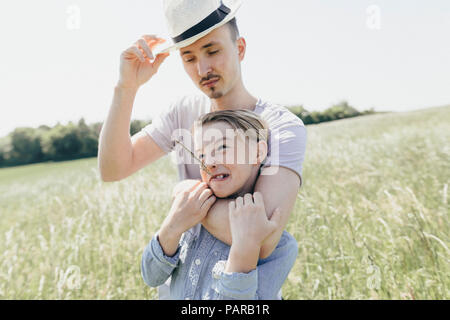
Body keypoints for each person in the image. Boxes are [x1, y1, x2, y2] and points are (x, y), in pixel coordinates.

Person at [98, 0, 307, 298]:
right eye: (188, 57)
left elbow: (261, 240)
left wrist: (186, 197)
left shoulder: (281, 126)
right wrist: (126, 88)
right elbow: (112, 169)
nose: (202, 68)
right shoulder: (182, 111)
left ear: (240, 48)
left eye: (212, 51)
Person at [141, 110, 298, 299]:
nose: (210, 163)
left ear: (258, 152)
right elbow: (151, 276)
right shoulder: (190, 215)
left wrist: (245, 248)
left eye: (223, 147)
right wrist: (172, 227)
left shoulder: (280, 246)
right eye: (201, 155)